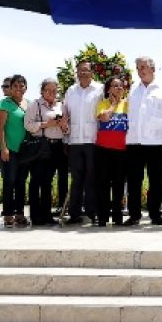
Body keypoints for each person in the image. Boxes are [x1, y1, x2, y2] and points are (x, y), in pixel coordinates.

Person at [125, 56, 162, 226]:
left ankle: (155, 214)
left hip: (156, 142)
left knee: (155, 180)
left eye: (143, 67)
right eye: (138, 67)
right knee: (134, 180)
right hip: (134, 141)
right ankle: (134, 215)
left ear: (152, 69)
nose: (140, 70)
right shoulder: (132, 89)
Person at [62, 60, 102, 224]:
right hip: (74, 141)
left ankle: (92, 212)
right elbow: (65, 112)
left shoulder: (99, 89)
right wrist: (65, 136)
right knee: (77, 178)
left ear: (92, 72)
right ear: (76, 72)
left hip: (93, 140)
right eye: (80, 70)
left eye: (86, 70)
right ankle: (74, 213)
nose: (83, 73)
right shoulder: (71, 90)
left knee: (91, 177)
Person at [25, 78, 66, 226]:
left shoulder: (61, 105)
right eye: (48, 90)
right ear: (42, 90)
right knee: (36, 181)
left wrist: (63, 125)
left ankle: (47, 215)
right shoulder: (34, 105)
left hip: (56, 147)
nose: (51, 93)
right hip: (40, 146)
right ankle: (35, 216)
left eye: (54, 90)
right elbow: (28, 125)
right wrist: (46, 124)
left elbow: (66, 127)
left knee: (48, 182)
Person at [0, 74, 29, 228]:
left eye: (21, 86)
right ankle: (8, 214)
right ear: (10, 88)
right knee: (9, 182)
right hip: (9, 149)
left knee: (21, 182)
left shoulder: (28, 104)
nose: (18, 88)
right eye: (15, 86)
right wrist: (4, 147)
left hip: (25, 151)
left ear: (25, 88)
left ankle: (20, 214)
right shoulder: (4, 103)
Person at [95, 77, 128, 227]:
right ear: (108, 89)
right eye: (115, 86)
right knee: (102, 184)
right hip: (103, 150)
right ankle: (102, 216)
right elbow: (104, 118)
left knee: (119, 185)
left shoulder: (128, 104)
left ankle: (117, 216)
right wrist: (113, 104)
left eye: (121, 86)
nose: (118, 88)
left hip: (121, 151)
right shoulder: (102, 104)